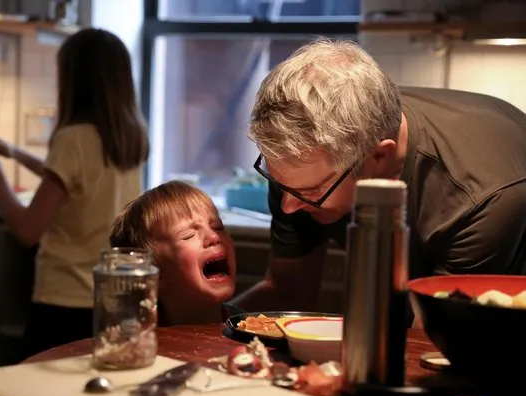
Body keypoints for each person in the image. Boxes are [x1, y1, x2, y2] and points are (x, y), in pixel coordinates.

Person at [229, 37, 526, 314]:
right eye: (280, 185)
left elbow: (434, 340)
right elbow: (289, 290)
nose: (288, 208)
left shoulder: (480, 196)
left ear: (379, 157)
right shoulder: (297, 170)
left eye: (312, 193)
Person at [0, 28, 149, 355]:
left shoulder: (72, 138)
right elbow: (74, 179)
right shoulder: (130, 136)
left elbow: (27, 229)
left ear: (74, 80)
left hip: (64, 301)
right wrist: (13, 153)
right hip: (112, 298)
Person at [109, 180, 236, 326]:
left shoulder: (250, 328)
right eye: (188, 235)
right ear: (154, 274)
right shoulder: (140, 341)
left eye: (218, 227)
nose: (214, 237)